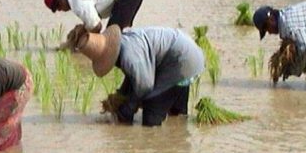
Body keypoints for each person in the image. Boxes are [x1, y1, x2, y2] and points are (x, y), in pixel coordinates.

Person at [69, 24, 205, 126]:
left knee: (150, 120)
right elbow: (134, 76)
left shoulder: (129, 56)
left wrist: (128, 108)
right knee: (177, 117)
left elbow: (145, 85)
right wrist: (121, 94)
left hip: (181, 61)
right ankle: (180, 130)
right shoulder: (125, 42)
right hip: (186, 53)